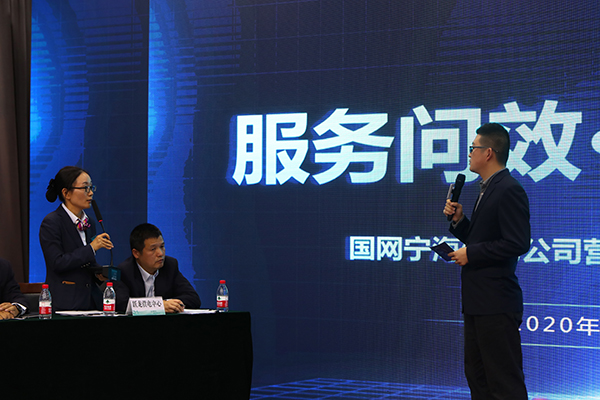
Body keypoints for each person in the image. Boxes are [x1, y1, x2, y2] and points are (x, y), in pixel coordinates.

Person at [443, 123, 530, 400]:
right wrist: (460, 221)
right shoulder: (487, 188)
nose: (470, 154)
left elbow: (517, 243)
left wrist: (471, 254)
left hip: (496, 302)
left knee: (503, 382)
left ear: (489, 152)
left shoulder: (508, 189)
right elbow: (483, 238)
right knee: (478, 377)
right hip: (478, 301)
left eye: (473, 148)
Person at [39, 166, 114, 311]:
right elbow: (57, 263)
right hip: (66, 302)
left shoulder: (90, 222)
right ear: (66, 193)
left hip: (91, 300)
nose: (90, 193)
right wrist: (92, 248)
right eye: (85, 188)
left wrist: (98, 273)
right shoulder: (52, 222)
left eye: (91, 187)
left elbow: (85, 262)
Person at [115, 223, 201, 313]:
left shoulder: (169, 266)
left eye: (162, 247)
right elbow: (122, 304)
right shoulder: (124, 271)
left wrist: (169, 304)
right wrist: (159, 306)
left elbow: (193, 298)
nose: (160, 253)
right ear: (136, 253)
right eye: (153, 249)